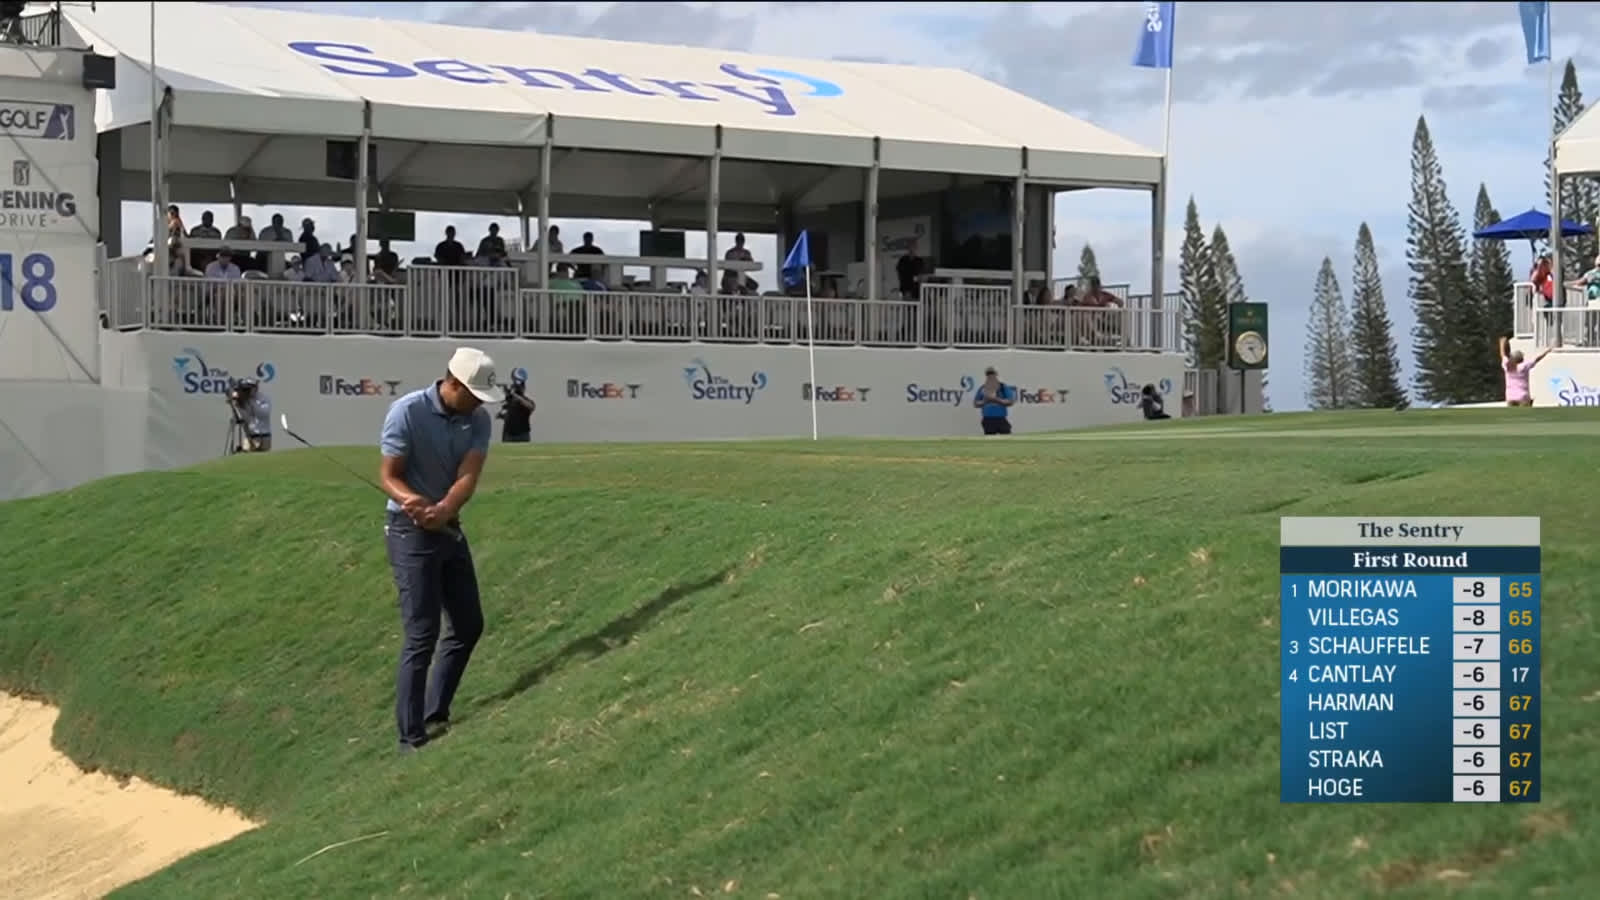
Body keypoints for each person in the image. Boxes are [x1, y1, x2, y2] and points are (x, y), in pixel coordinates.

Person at [378, 347, 500, 752]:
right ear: (452, 383)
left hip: (447, 524)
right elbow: (389, 476)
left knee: (468, 624)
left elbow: (469, 476)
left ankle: (435, 711)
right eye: (474, 394)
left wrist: (445, 509)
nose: (480, 404)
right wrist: (413, 501)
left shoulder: (477, 420)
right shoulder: (407, 411)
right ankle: (410, 738)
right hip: (408, 530)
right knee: (422, 633)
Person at [1499, 336, 1551, 407]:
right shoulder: (1524, 366)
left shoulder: (1507, 366)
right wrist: (1548, 351)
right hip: (1523, 395)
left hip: (1510, 395)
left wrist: (1501, 345)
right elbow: (1537, 359)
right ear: (1521, 359)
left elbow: (1503, 355)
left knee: (1511, 417)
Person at [973, 366, 1016, 435]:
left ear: (996, 374)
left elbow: (1010, 401)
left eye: (992, 373)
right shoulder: (982, 388)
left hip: (1001, 419)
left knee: (1007, 440)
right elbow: (975, 403)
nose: (990, 375)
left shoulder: (1003, 387)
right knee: (990, 442)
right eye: (989, 374)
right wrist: (985, 401)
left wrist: (996, 399)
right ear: (986, 375)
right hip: (987, 420)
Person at [498, 368, 536, 442]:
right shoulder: (510, 401)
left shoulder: (525, 401)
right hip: (509, 434)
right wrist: (502, 415)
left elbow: (531, 407)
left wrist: (516, 396)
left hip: (522, 435)